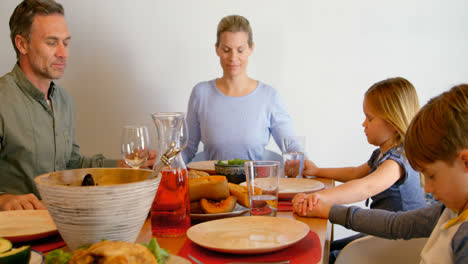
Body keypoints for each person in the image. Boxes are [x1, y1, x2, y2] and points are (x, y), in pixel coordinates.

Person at [0, 0, 154, 211]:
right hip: (13, 236)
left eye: (66, 42)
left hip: (62, 225)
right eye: (52, 42)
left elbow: (71, 165)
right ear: (22, 44)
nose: (64, 53)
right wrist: (3, 199)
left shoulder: (63, 101)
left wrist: (121, 166)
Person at [294, 84, 468, 263]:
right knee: (326, 248)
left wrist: (318, 198)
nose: (428, 189)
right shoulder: (447, 211)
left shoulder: (396, 161)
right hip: (382, 233)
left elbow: (366, 187)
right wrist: (319, 175)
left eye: (431, 176)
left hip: (390, 244)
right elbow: (357, 174)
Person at [182, 15, 298, 163]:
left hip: (256, 185)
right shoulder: (201, 93)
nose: (233, 57)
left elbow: (292, 148)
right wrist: (165, 163)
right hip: (214, 184)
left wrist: (309, 168)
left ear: (251, 49)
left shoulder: (269, 96)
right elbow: (187, 148)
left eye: (240, 50)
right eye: (226, 50)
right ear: (217, 49)